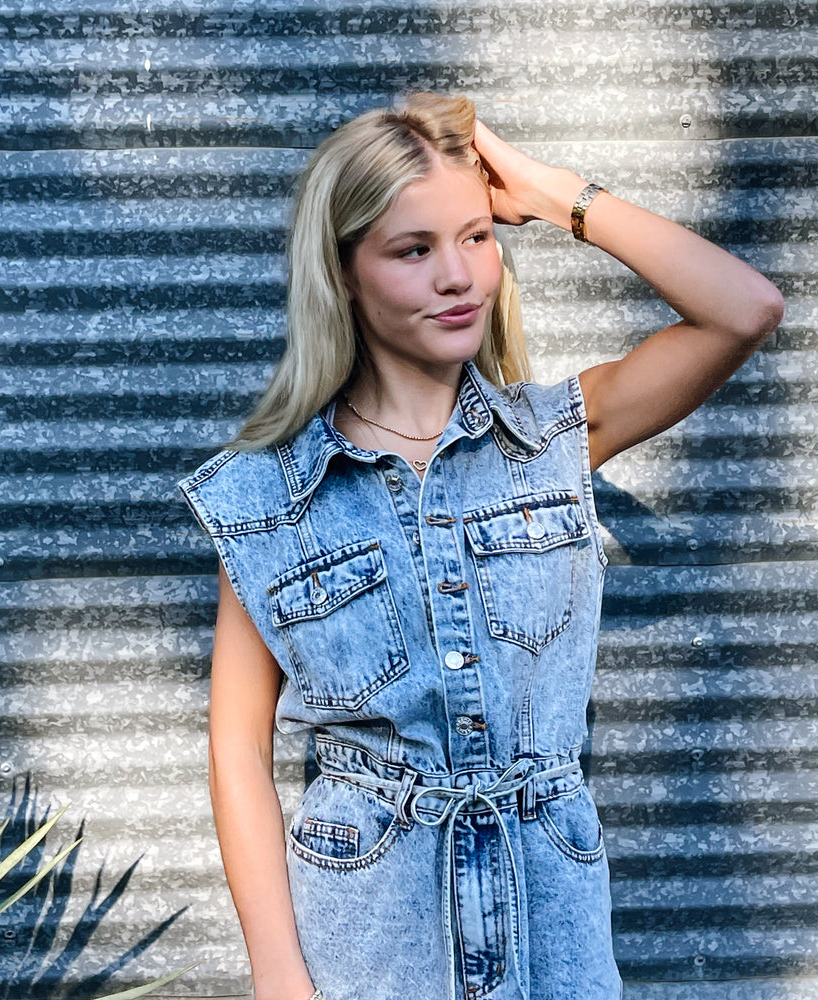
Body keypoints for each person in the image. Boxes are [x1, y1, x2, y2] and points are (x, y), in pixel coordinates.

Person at [177, 93, 783, 1000]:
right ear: (342, 273)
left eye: (474, 237)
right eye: (413, 250)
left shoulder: (554, 440)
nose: (458, 276)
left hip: (552, 916)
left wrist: (546, 192)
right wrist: (278, 975)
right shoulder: (267, 494)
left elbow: (745, 308)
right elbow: (236, 746)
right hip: (372, 926)